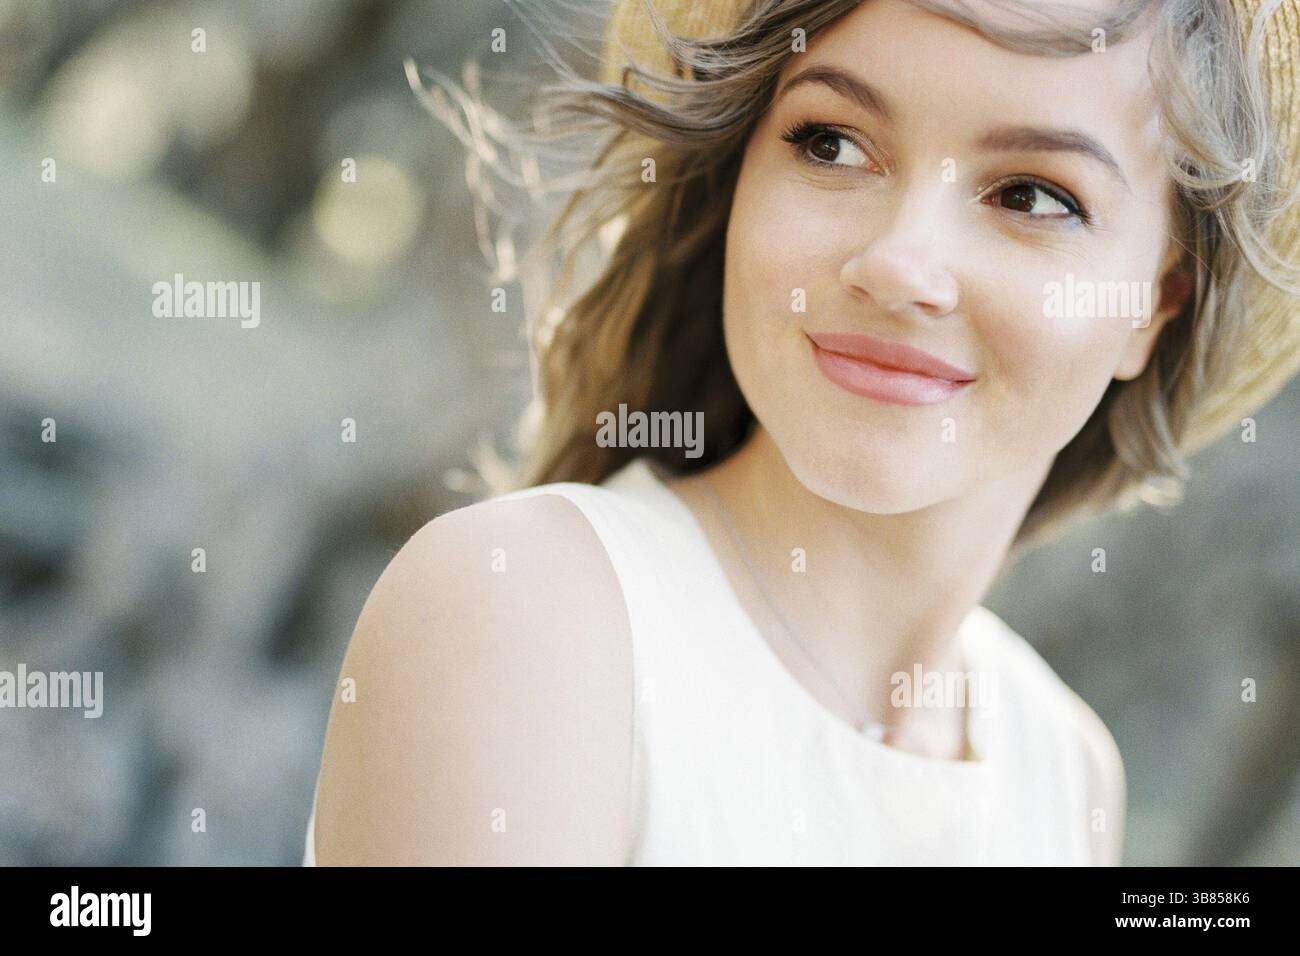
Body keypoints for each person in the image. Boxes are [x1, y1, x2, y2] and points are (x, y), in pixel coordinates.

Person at [305, 0, 1300, 865]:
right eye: (830, 141)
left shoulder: (1061, 776)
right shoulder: (528, 616)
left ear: (1152, 306)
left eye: (1032, 195)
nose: (899, 260)